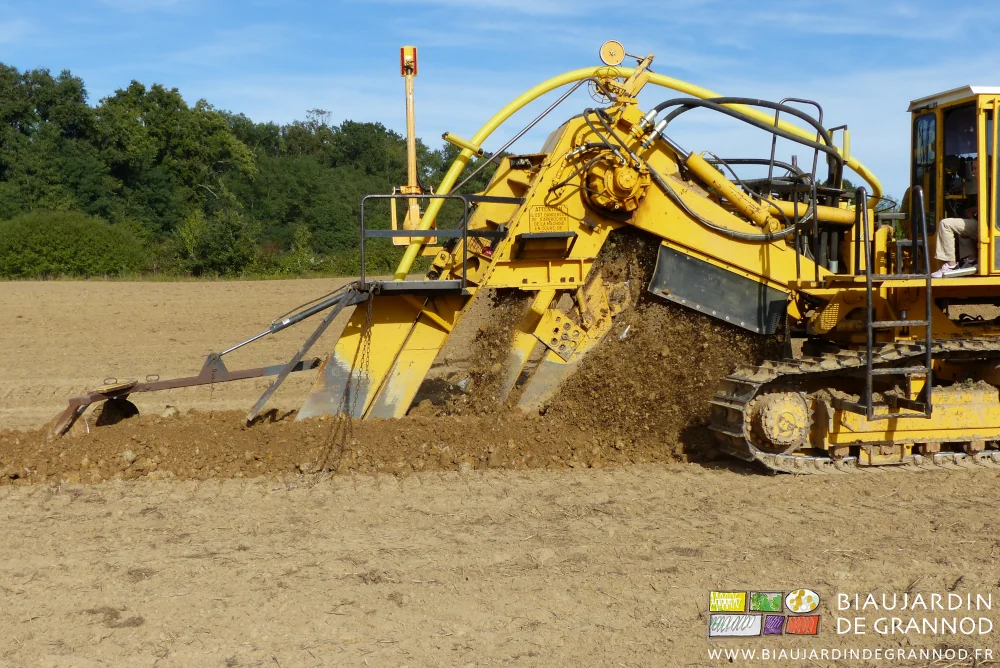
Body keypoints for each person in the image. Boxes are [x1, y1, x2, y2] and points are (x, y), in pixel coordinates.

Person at [932, 203, 978, 278]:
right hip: (985, 223)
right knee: (960, 228)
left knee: (945, 224)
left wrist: (973, 209)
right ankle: (971, 260)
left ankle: (951, 266)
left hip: (988, 225)